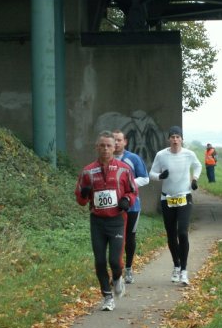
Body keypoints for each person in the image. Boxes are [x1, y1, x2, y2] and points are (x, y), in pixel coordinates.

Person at [75, 131, 138, 311]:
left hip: (117, 220)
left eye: (109, 145)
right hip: (97, 221)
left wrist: (127, 200)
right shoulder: (88, 171)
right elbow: (80, 200)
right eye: (102, 145)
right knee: (100, 260)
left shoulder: (124, 169)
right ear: (97, 147)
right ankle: (107, 297)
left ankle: (117, 278)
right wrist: (85, 194)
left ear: (115, 147)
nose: (105, 149)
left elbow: (133, 191)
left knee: (114, 261)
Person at [149, 126, 202, 285]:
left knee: (182, 232)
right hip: (167, 199)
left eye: (177, 137)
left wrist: (194, 179)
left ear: (182, 139)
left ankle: (184, 271)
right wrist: (160, 176)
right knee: (171, 234)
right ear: (168, 140)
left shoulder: (189, 154)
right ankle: (176, 266)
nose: (175, 139)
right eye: (172, 137)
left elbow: (198, 165)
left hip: (184, 197)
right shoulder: (161, 155)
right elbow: (151, 174)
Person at [112, 129, 149, 284]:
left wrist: (128, 185)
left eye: (119, 140)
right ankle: (116, 271)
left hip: (132, 206)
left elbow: (145, 178)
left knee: (129, 237)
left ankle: (128, 269)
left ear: (125, 142)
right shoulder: (107, 159)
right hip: (113, 206)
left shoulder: (133, 158)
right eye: (114, 140)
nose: (116, 143)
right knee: (115, 239)